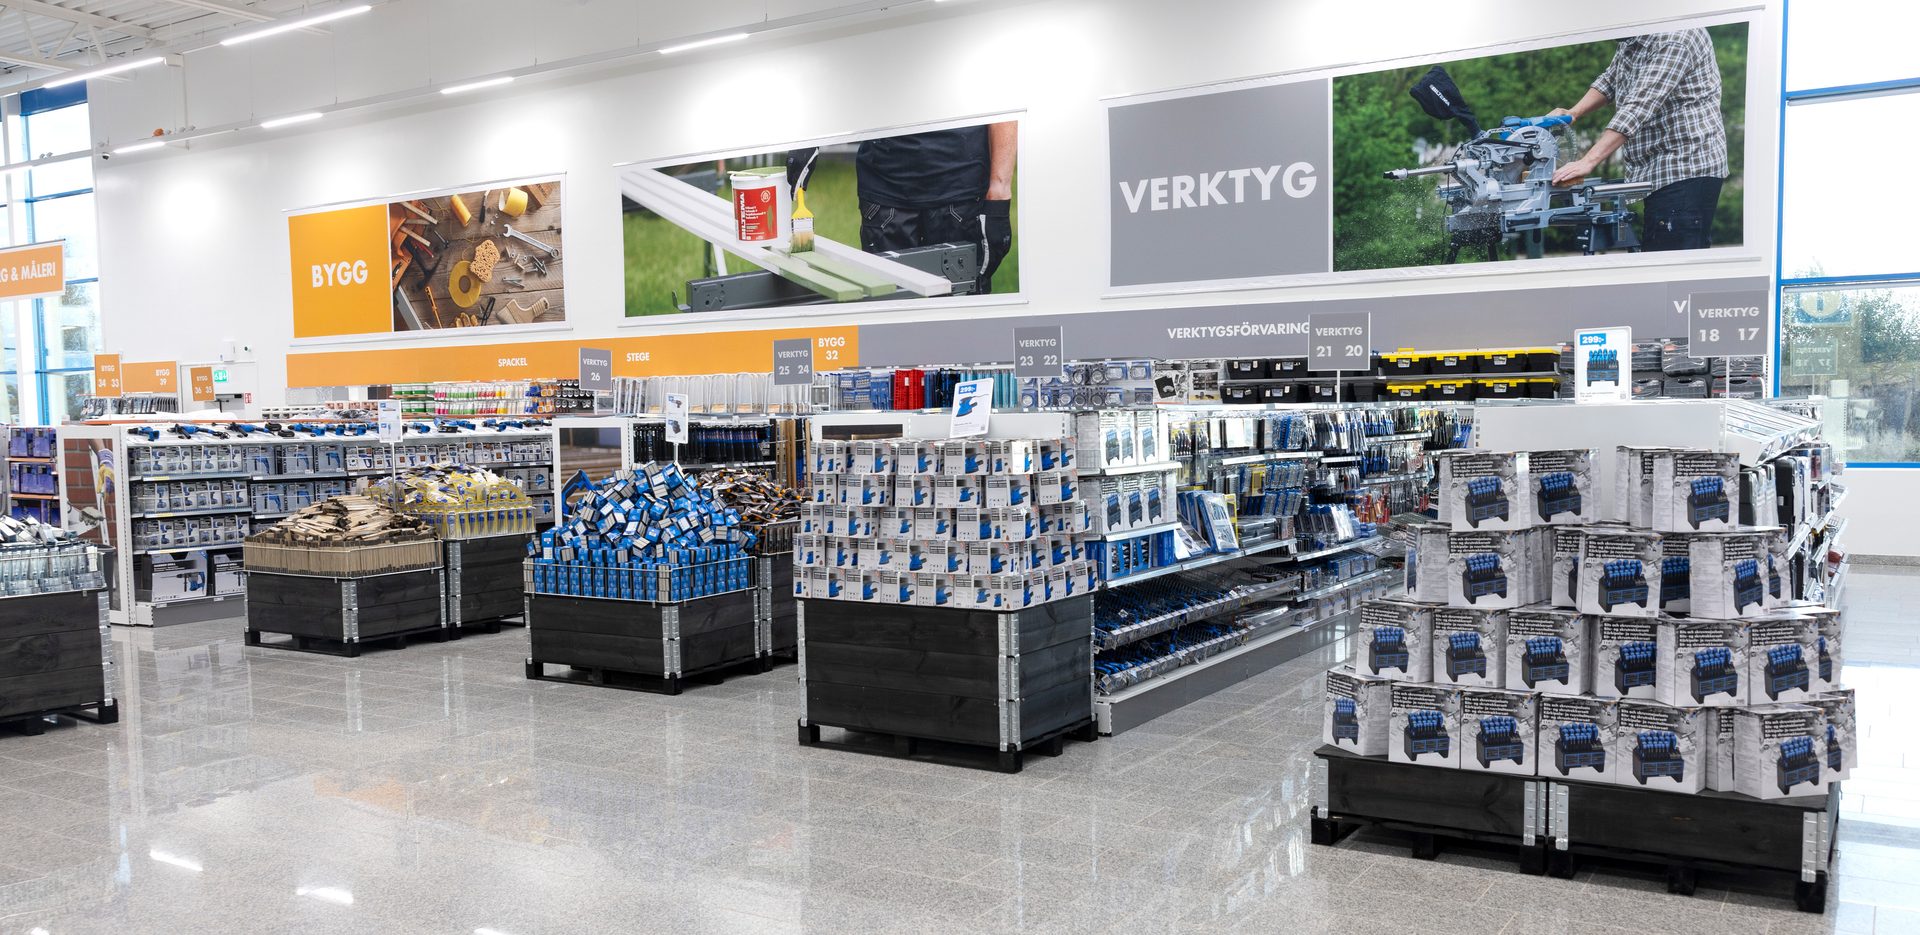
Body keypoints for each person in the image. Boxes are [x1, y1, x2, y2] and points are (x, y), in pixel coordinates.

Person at [1540, 29, 1728, 251]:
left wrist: (1588, 161)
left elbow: (1638, 106)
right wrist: (1573, 113)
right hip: (1660, 166)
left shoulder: (1677, 36)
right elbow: (1611, 79)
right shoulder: (1634, 33)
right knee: (1659, 259)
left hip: (1686, 165)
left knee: (1671, 269)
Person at [852, 122, 1017, 293]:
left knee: (960, 313)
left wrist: (999, 190)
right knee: (891, 306)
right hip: (885, 188)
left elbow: (1002, 99)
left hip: (961, 192)